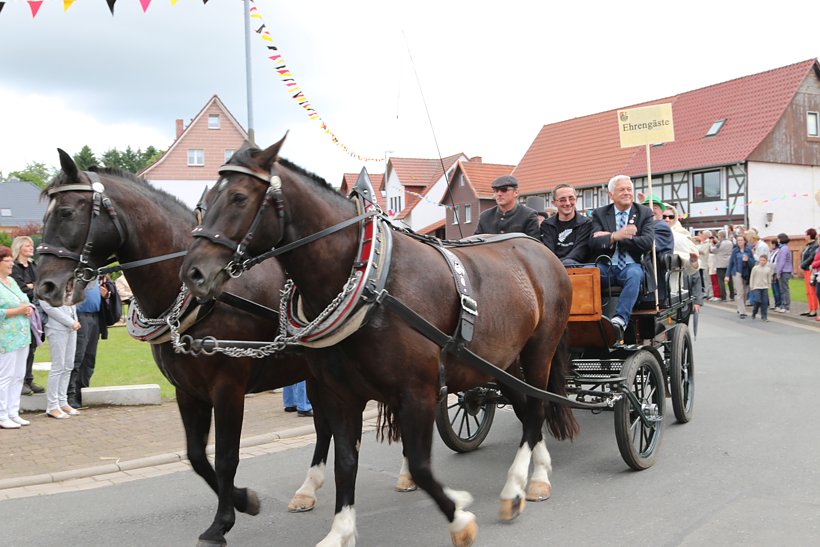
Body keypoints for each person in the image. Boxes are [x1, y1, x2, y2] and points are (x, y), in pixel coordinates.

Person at [590, 175, 655, 335]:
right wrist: (616, 235)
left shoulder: (644, 213)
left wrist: (613, 237)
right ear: (611, 195)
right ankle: (586, 319)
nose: (627, 193)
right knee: (585, 273)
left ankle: (619, 321)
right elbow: (593, 243)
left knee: (634, 274)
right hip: (606, 266)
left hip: (631, 265)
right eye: (622, 189)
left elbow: (647, 243)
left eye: (629, 189)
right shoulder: (600, 213)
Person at [0, 246, 33, 429]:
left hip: (21, 335)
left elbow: (24, 299)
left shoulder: (11, 281)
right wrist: (18, 310)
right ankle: (2, 414)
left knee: (18, 375)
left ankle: (13, 411)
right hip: (5, 337)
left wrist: (26, 308)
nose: (11, 264)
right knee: (4, 376)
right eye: (7, 261)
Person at [68, 278, 111, 409]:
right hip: (80, 315)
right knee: (78, 356)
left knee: (89, 358)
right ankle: (70, 394)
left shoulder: (96, 274)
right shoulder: (78, 271)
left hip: (95, 316)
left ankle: (82, 391)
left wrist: (106, 294)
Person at [10, 236, 44, 395]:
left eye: (31, 245)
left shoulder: (33, 265)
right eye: (27, 245)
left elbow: (41, 285)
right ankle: (20, 380)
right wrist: (33, 287)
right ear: (19, 248)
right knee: (23, 347)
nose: (31, 248)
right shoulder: (14, 267)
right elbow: (21, 289)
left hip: (35, 310)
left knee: (32, 347)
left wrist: (33, 286)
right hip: (22, 310)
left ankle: (28, 379)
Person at [40, 296, 81, 418]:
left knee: (68, 365)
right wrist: (70, 321)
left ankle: (63, 401)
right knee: (58, 366)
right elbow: (48, 307)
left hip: (71, 327)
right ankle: (52, 405)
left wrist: (74, 320)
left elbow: (71, 302)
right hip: (56, 327)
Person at [539, 183, 592, 265]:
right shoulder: (547, 225)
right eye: (562, 200)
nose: (567, 203)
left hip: (579, 270)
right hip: (553, 267)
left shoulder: (586, 224)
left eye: (571, 198)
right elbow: (549, 251)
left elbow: (579, 252)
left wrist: (563, 264)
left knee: (568, 263)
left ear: (576, 199)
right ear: (554, 203)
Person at [474, 175, 539, 238]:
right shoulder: (485, 217)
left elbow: (533, 245)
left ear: (516, 192)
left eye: (504, 190)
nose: (499, 194)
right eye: (496, 191)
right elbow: (475, 243)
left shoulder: (528, 216)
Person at [663, 205, 701, 312]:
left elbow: (692, 272)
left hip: (674, 291)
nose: (667, 219)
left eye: (671, 217)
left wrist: (693, 261)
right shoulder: (648, 233)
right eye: (664, 216)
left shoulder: (681, 237)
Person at [725, 233, 755, 318]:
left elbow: (753, 262)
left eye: (741, 240)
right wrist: (727, 275)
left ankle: (740, 307)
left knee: (745, 292)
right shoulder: (735, 251)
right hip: (737, 273)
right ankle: (742, 312)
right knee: (740, 292)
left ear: (745, 241)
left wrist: (747, 259)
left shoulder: (748, 250)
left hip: (745, 273)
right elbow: (730, 263)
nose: (739, 242)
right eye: (738, 240)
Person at [799, 228, 818, 318]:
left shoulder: (814, 246)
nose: (805, 236)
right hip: (806, 269)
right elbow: (803, 255)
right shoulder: (808, 245)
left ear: (810, 235)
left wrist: (802, 265)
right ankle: (810, 308)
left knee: (812, 291)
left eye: (806, 234)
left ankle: (814, 309)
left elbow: (811, 257)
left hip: (811, 270)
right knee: (808, 291)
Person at [772, 233, 793, 313]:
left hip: (784, 271)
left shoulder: (783, 248)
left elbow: (781, 261)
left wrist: (778, 272)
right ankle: (783, 305)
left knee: (784, 289)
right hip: (784, 271)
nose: (777, 240)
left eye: (778, 238)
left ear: (781, 239)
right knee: (782, 289)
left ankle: (786, 306)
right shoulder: (783, 248)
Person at [749, 254, 773, 321]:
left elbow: (769, 278)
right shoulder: (755, 268)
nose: (762, 261)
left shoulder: (768, 269)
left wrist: (769, 286)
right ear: (759, 260)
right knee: (757, 300)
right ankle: (754, 312)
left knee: (764, 302)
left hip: (764, 287)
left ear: (766, 261)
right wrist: (752, 286)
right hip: (756, 287)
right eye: (761, 260)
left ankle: (764, 316)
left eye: (764, 260)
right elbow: (752, 277)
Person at [712, 230, 734, 302]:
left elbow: (714, 250)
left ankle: (724, 297)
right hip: (728, 262)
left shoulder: (720, 243)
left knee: (721, 280)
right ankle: (732, 296)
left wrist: (712, 245)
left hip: (720, 263)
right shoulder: (730, 242)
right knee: (730, 280)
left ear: (720, 236)